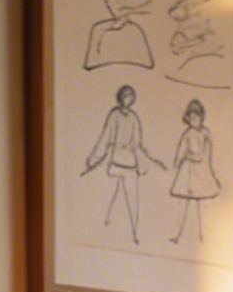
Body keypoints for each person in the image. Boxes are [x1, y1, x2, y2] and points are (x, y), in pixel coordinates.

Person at [83, 85, 162, 242]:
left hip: (130, 162)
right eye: (126, 96)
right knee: (114, 192)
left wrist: (145, 162)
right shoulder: (114, 115)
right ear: (120, 98)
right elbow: (105, 138)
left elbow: (138, 144)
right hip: (116, 161)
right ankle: (105, 220)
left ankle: (135, 232)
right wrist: (94, 159)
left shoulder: (134, 117)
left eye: (131, 97)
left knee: (132, 197)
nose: (128, 99)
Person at [168, 98, 221, 244]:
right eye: (190, 117)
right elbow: (181, 150)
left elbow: (202, 156)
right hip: (188, 173)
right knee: (183, 205)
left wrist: (187, 156)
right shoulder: (187, 133)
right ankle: (177, 236)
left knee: (202, 207)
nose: (193, 120)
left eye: (196, 117)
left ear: (201, 117)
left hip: (201, 174)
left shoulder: (205, 133)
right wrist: (177, 162)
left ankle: (205, 239)